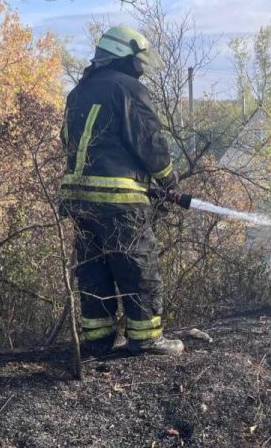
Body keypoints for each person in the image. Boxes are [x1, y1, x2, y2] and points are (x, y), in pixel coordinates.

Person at [59, 25, 184, 357]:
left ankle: (98, 340)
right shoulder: (128, 88)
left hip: (79, 200)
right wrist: (168, 182)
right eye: (138, 60)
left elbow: (68, 144)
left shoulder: (78, 92)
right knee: (137, 265)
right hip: (119, 203)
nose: (141, 68)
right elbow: (150, 142)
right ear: (122, 56)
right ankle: (145, 338)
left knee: (94, 269)